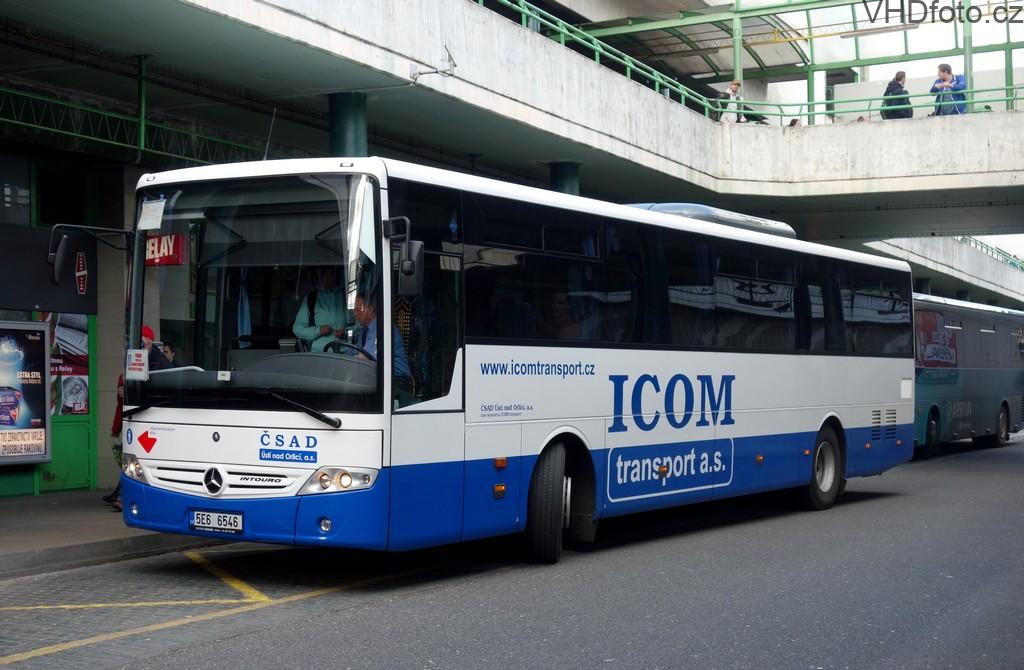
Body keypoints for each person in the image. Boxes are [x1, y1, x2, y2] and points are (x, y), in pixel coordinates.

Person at [353, 292, 412, 381]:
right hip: (381, 376)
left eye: (358, 310)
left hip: (398, 381)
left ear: (370, 309)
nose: (355, 314)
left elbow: (366, 359)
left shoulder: (383, 328)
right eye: (354, 311)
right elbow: (354, 351)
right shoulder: (364, 331)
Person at [291, 267, 346, 352]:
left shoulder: (346, 297)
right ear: (317, 276)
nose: (326, 278)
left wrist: (346, 332)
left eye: (330, 274)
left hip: (345, 352)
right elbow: (297, 329)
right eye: (323, 274)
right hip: (319, 353)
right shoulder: (311, 298)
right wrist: (318, 330)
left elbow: (359, 325)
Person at [101, 374, 124, 510]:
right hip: (123, 427)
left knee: (129, 467)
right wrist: (115, 429)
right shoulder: (123, 376)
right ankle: (118, 494)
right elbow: (120, 405)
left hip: (134, 428)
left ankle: (119, 496)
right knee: (127, 466)